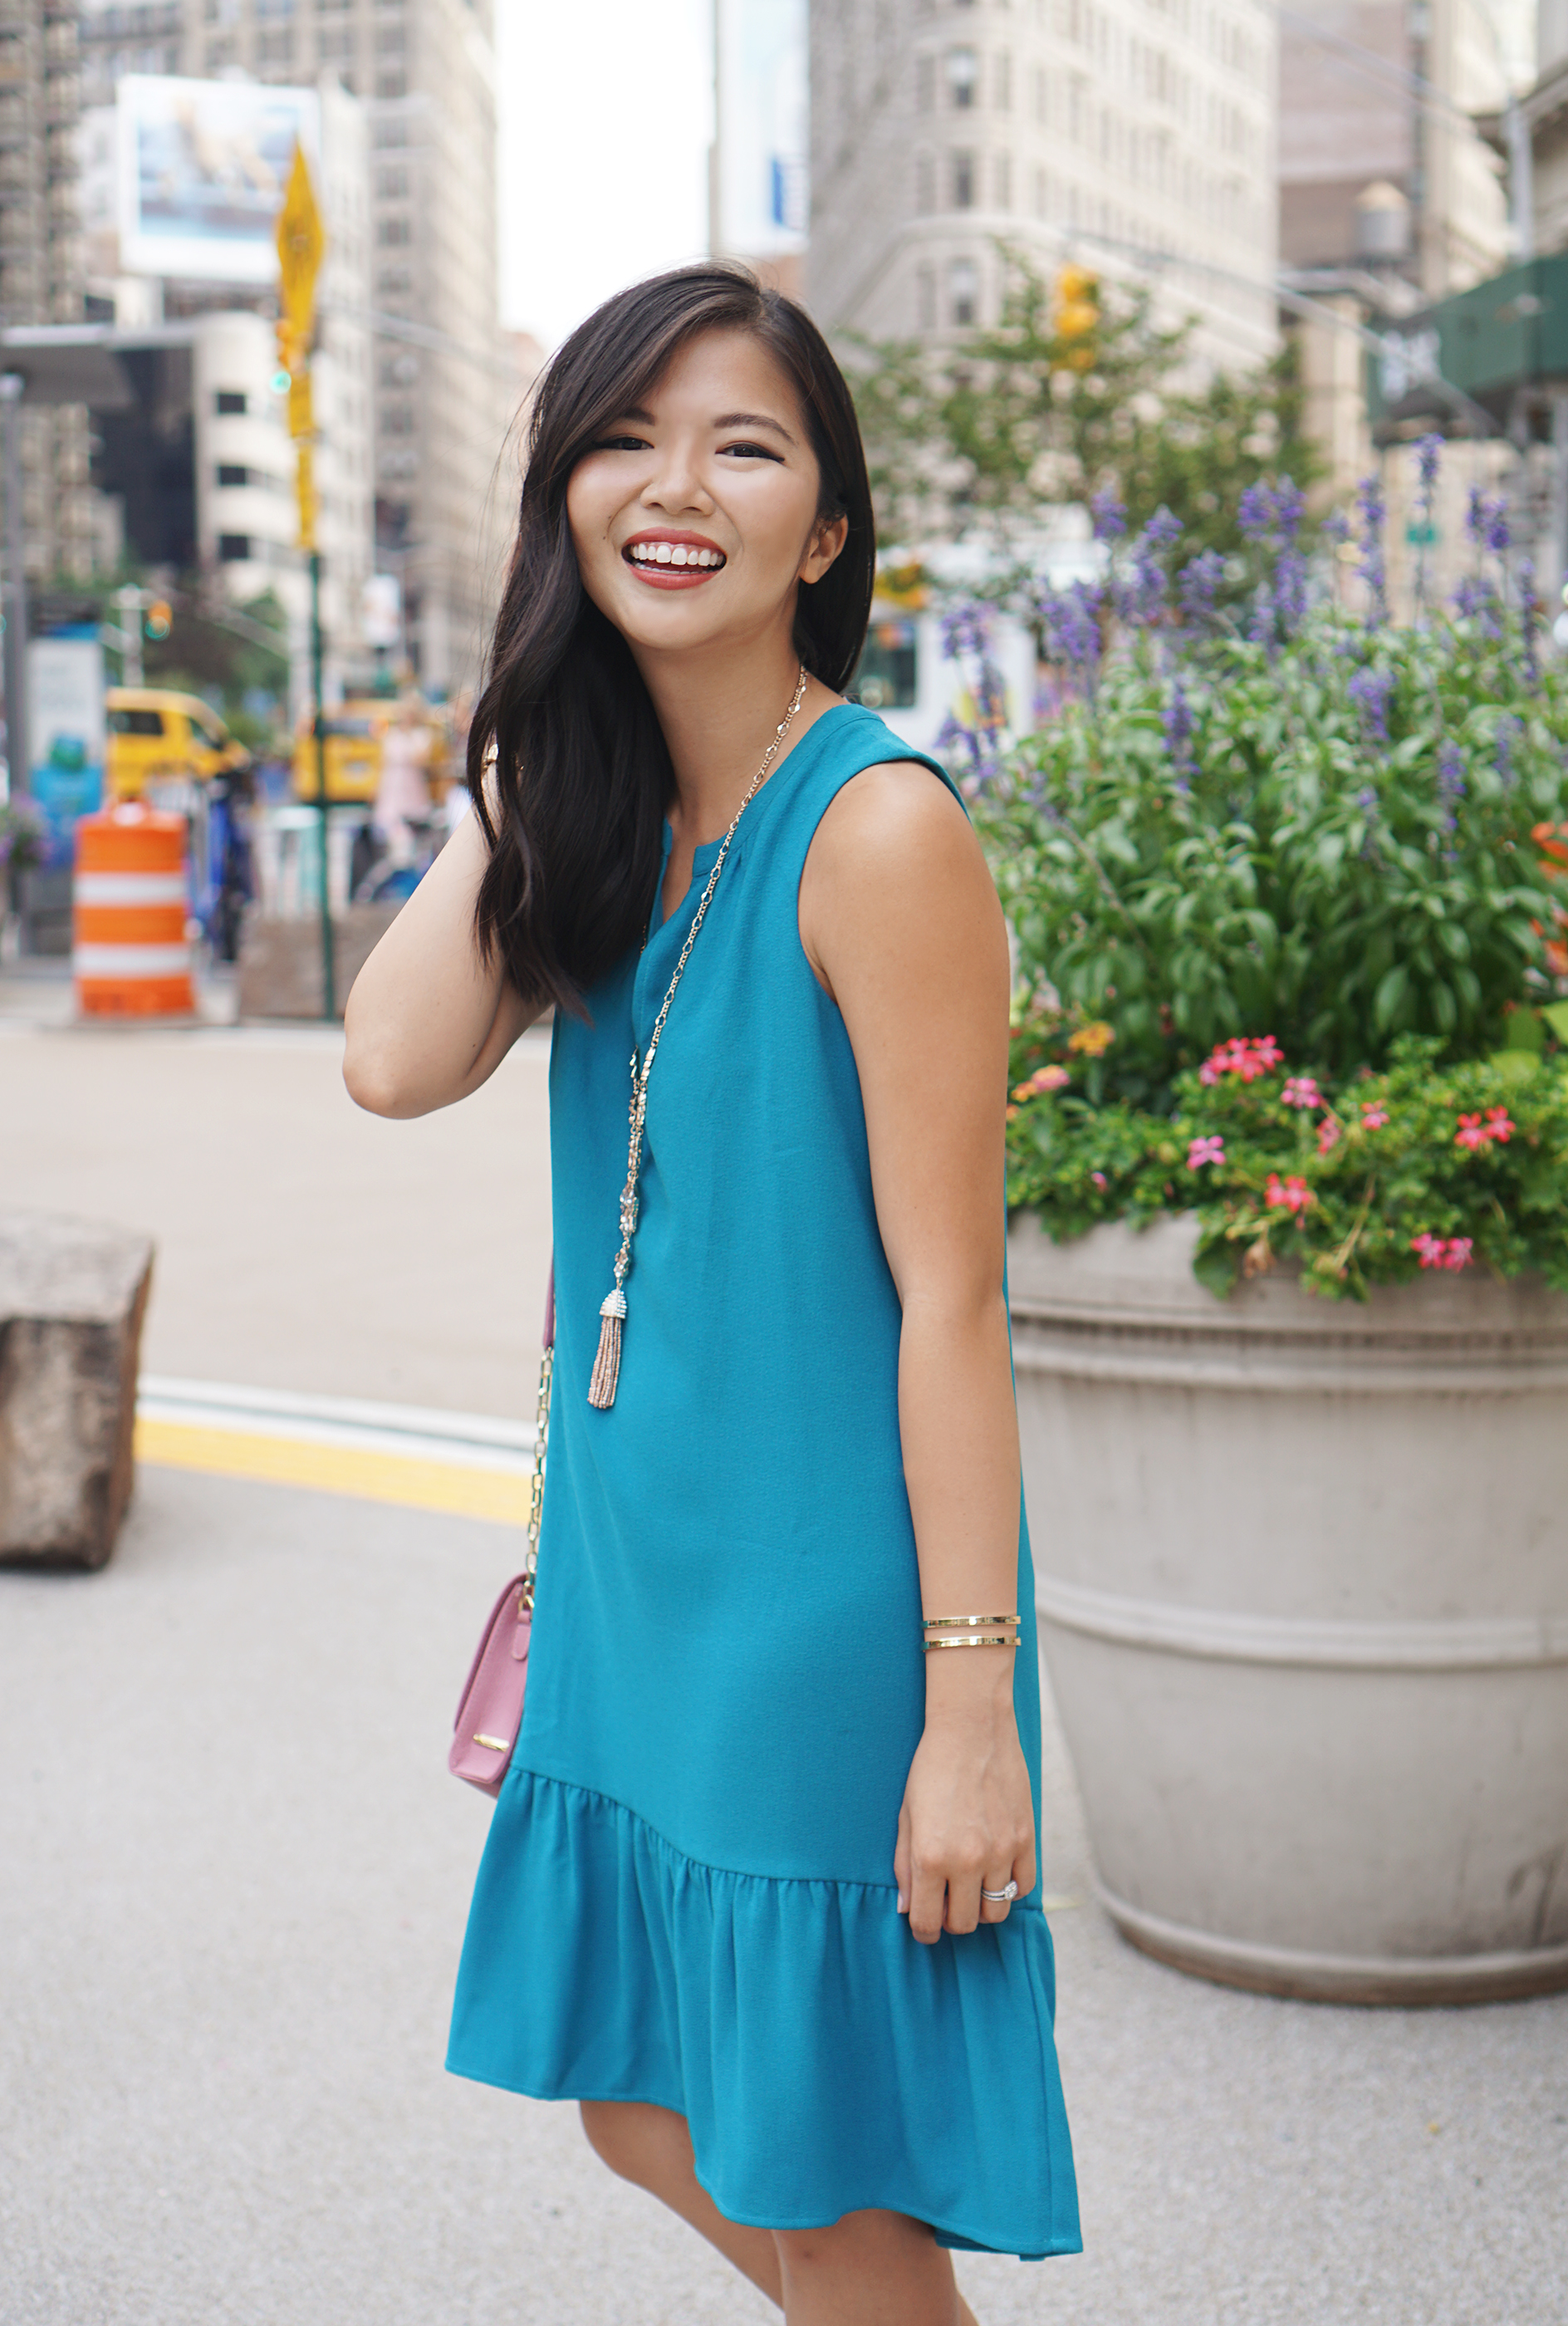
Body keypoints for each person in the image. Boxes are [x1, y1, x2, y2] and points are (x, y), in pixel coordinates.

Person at [342, 264, 1080, 2324]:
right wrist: (524, 735)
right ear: (563, 491)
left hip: (817, 1625)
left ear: (824, 530)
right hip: (636, 1586)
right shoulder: (596, 817)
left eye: (742, 447)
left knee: (811, 2174)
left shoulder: (876, 836)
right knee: (645, 2109)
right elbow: (391, 1060)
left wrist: (966, 1718)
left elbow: (952, 1306)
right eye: (623, 440)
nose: (675, 488)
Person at [370, 690, 433, 866]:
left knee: (410, 836)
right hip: (393, 789)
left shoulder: (421, 735)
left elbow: (421, 759)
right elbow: (384, 763)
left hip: (412, 791)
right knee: (391, 833)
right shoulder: (391, 735)